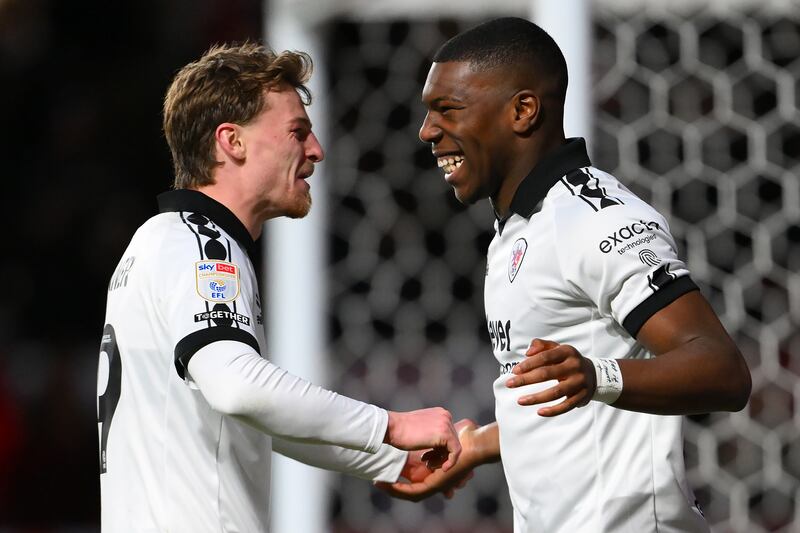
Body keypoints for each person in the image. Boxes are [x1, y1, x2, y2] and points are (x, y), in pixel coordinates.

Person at [378, 17, 752, 533]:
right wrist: (480, 444)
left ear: (523, 111)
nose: (427, 131)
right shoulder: (517, 230)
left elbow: (722, 370)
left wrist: (600, 374)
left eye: (448, 110)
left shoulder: (598, 220)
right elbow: (567, 391)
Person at [96, 42, 460, 532]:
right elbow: (237, 387)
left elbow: (242, 416)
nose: (316, 151)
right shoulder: (203, 246)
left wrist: (387, 458)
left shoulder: (160, 242)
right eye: (297, 132)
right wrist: (391, 424)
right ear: (232, 142)